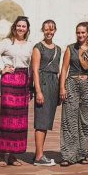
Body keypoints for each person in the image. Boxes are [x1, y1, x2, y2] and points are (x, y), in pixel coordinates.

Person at [0, 16, 33, 167]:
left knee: (20, 119)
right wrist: (0, 69)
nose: (21, 29)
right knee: (7, 116)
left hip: (24, 80)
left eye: (23, 26)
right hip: (9, 81)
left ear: (27, 29)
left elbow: (32, 65)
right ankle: (1, 153)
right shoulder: (7, 42)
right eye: (18, 26)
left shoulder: (30, 45)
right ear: (14, 27)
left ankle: (12, 155)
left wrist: (31, 85)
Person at [59, 21, 88, 166]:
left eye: (83, 32)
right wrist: (62, 88)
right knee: (69, 120)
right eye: (78, 32)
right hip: (71, 84)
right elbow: (64, 69)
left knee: (86, 121)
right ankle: (68, 155)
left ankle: (82, 154)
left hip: (87, 85)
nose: (80, 35)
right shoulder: (71, 48)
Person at [32, 19, 61, 166]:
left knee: (47, 121)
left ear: (55, 30)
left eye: (51, 29)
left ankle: (39, 153)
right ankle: (38, 156)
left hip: (53, 84)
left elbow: (59, 69)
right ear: (42, 30)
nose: (49, 32)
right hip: (43, 83)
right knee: (41, 121)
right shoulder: (38, 48)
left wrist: (60, 88)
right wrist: (38, 91)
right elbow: (35, 70)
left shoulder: (58, 49)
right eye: (46, 29)